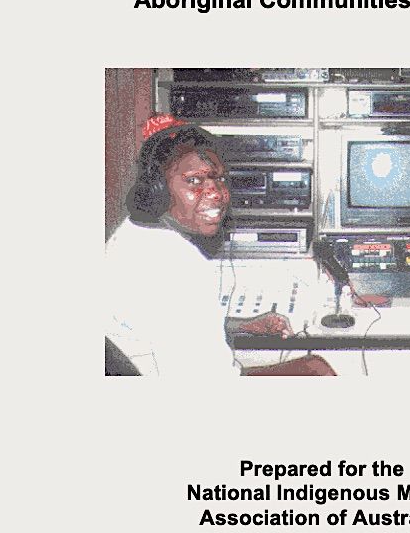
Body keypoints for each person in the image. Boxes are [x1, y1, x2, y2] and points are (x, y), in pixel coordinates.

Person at [106, 117, 292, 376]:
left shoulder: (131, 236)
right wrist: (314, 370)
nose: (217, 193)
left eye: (220, 179)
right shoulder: (175, 266)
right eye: (194, 180)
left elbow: (163, 321)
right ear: (158, 189)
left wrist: (240, 325)